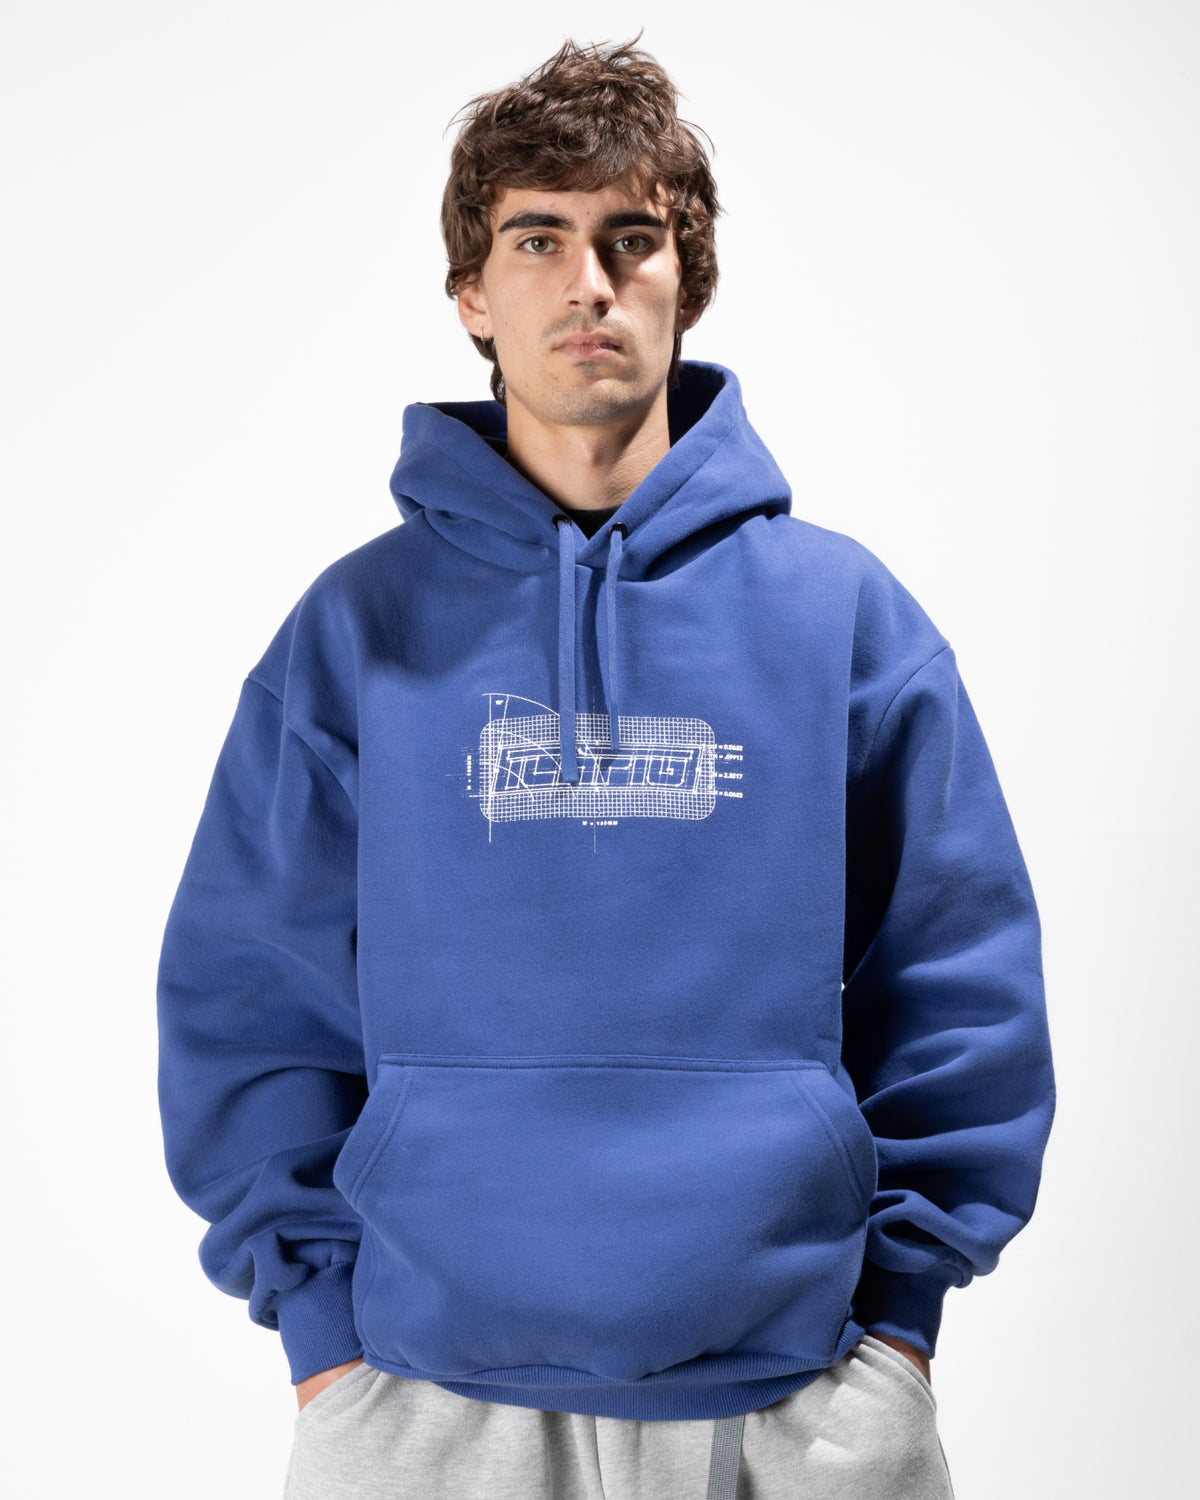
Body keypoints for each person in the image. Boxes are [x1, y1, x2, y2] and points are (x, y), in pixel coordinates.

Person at [156, 36, 1056, 1500]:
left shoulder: (842, 618)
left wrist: (901, 1328)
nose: (590, 283)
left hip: (803, 1397)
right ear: (472, 295)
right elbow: (247, 994)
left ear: (685, 284)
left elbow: (960, 982)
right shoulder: (358, 630)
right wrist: (322, 1339)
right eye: (539, 240)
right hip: (425, 1404)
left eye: (632, 240)